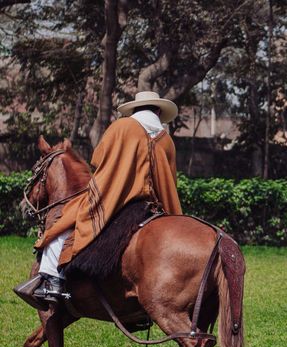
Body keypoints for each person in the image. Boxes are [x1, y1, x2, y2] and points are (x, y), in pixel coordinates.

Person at [32, 91, 183, 304]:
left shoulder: (122, 126)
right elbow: (170, 180)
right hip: (154, 204)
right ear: (158, 111)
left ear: (134, 110)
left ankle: (53, 283)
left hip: (119, 199)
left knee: (66, 222)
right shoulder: (166, 140)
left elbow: (97, 159)